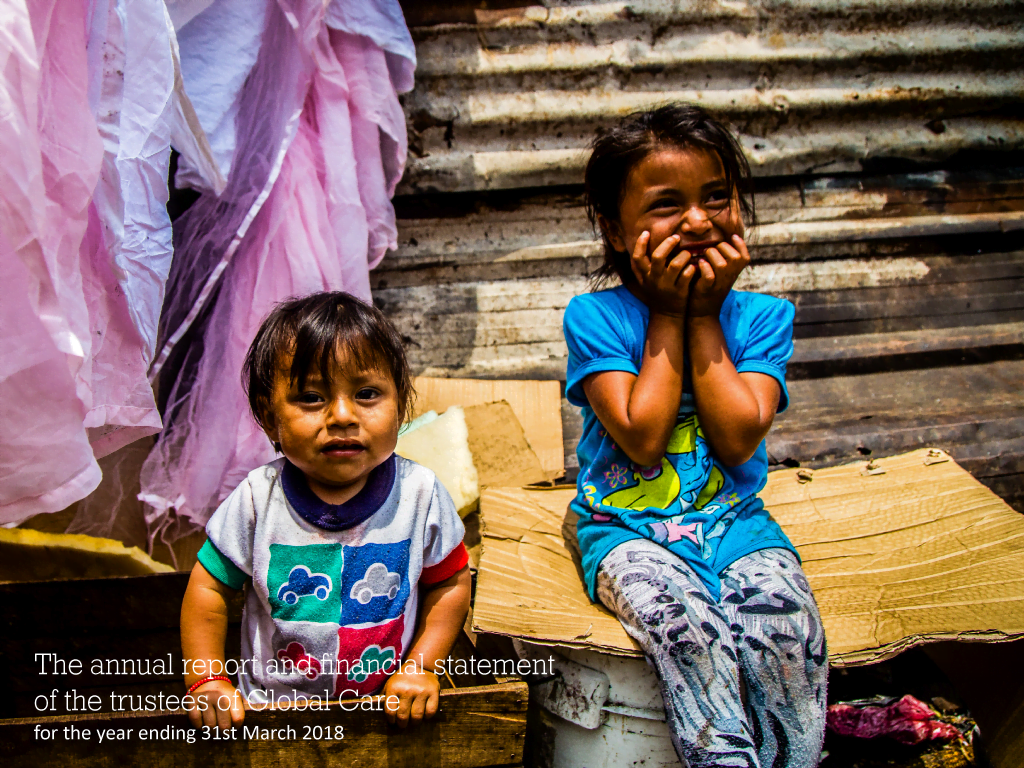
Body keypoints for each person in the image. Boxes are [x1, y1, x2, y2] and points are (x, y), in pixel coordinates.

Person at [562, 104, 828, 768]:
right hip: (625, 529)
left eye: (717, 197)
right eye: (665, 205)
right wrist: (667, 313)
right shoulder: (595, 317)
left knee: (783, 627)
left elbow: (738, 442)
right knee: (687, 633)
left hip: (736, 522)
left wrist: (705, 314)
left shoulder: (764, 317)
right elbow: (644, 439)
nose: (699, 221)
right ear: (615, 230)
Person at [180, 292, 471, 731]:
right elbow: (208, 591)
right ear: (267, 416)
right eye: (312, 397)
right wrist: (207, 681)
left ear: (401, 405)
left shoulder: (420, 494)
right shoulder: (258, 498)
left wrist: (421, 666)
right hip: (267, 719)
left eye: (367, 393)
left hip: (387, 719)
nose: (341, 416)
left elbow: (449, 583)